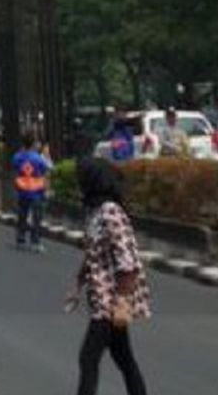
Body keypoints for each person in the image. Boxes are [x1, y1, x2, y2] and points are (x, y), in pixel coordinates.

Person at [67, 158, 151, 395]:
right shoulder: (95, 212)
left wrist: (123, 301)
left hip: (111, 299)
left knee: (88, 358)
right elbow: (92, 252)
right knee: (123, 357)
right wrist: (78, 285)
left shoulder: (111, 211)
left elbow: (128, 260)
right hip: (100, 295)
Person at [12, 133, 51, 251]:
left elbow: (15, 169)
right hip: (36, 191)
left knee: (22, 215)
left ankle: (20, 238)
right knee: (37, 217)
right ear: (34, 143)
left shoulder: (17, 157)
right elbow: (46, 171)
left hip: (22, 190)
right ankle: (35, 242)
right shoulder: (38, 159)